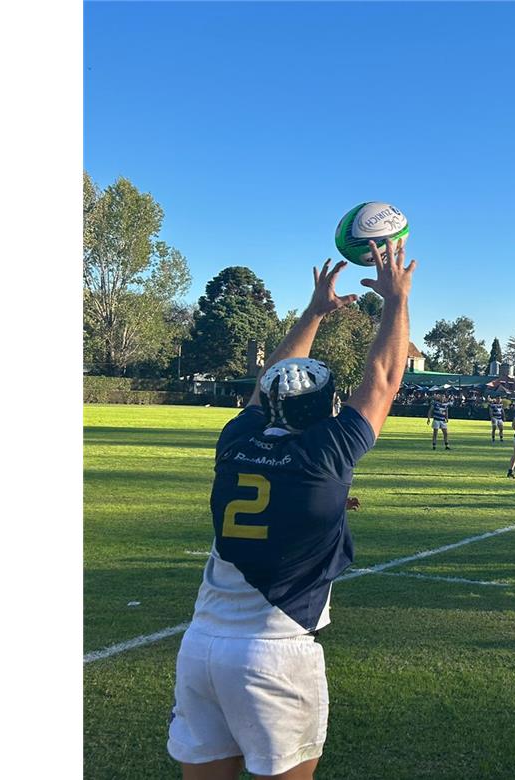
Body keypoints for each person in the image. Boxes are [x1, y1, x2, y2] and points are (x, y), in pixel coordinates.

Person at [168, 244, 416, 780]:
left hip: (200, 645)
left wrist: (314, 313)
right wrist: (396, 299)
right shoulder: (324, 454)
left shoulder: (236, 439)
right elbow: (383, 378)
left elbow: (270, 384)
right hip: (275, 653)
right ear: (325, 411)